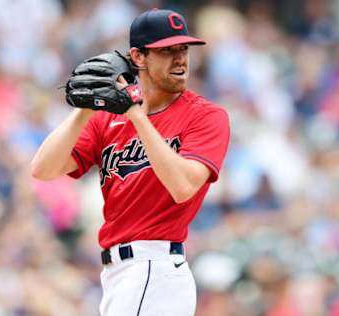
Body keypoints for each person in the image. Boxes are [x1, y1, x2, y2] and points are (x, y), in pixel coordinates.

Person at [31, 8, 230, 316]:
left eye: (183, 49)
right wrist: (85, 107)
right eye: (167, 50)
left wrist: (135, 114)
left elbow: (183, 186)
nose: (180, 59)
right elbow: (43, 169)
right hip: (120, 275)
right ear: (138, 57)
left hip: (154, 267)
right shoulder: (107, 119)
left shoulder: (205, 116)